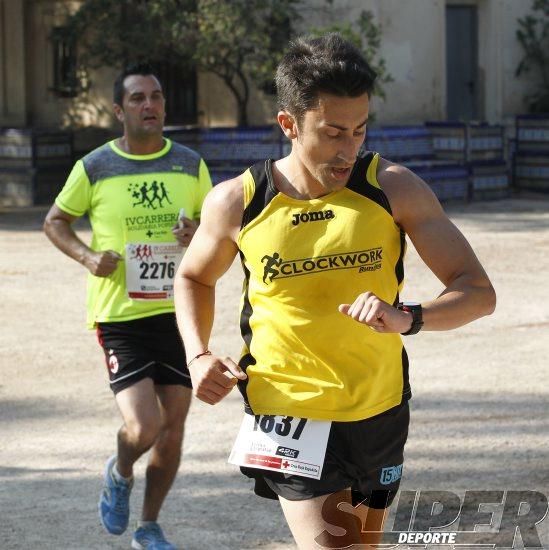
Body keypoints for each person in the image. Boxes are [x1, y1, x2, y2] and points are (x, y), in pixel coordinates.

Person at [174, 33, 496, 549]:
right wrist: (197, 353)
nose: (349, 148)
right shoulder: (238, 201)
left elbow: (478, 292)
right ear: (288, 124)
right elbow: (193, 276)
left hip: (379, 406)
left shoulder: (394, 188)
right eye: (333, 133)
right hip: (287, 408)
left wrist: (407, 317)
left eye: (360, 131)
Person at [44, 63, 212, 549]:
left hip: (178, 313)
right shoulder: (95, 166)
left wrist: (198, 233)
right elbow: (55, 221)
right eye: (138, 98)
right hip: (120, 316)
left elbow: (215, 228)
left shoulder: (189, 164)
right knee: (144, 425)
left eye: (156, 97)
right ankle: (120, 472)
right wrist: (88, 256)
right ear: (120, 110)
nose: (149, 105)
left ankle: (149, 527)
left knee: (173, 429)